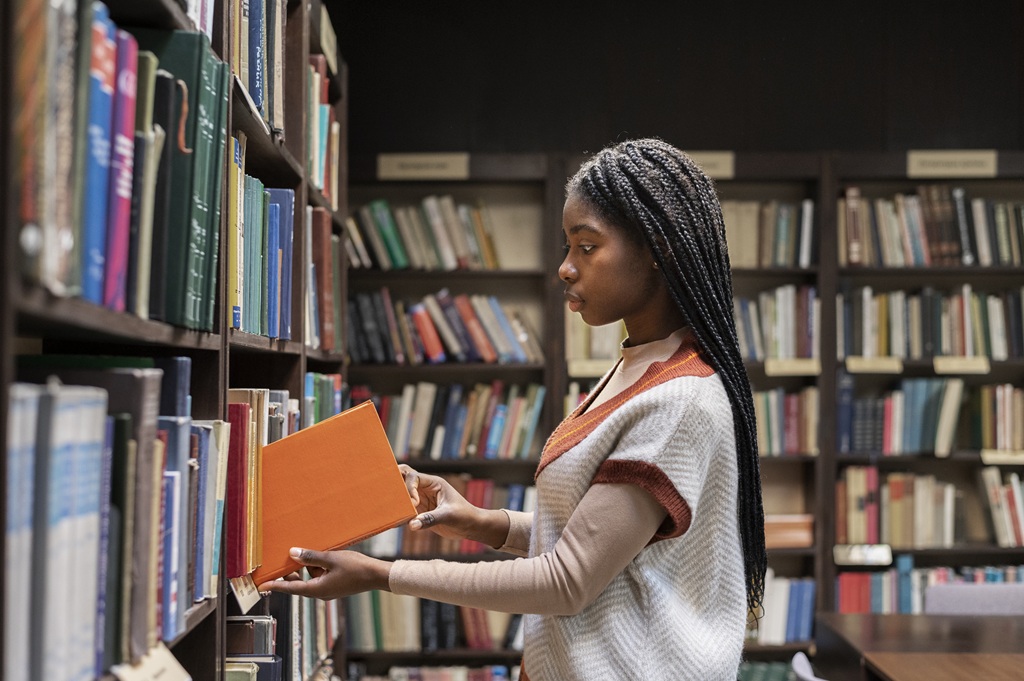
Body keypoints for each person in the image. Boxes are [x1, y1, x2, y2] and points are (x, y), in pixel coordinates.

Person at [264, 138, 767, 680]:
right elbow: (603, 543)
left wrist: (381, 574)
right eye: (566, 247)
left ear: (657, 250)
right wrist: (483, 522)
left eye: (587, 247)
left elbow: (567, 580)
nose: (565, 269)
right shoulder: (641, 367)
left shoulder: (680, 399)